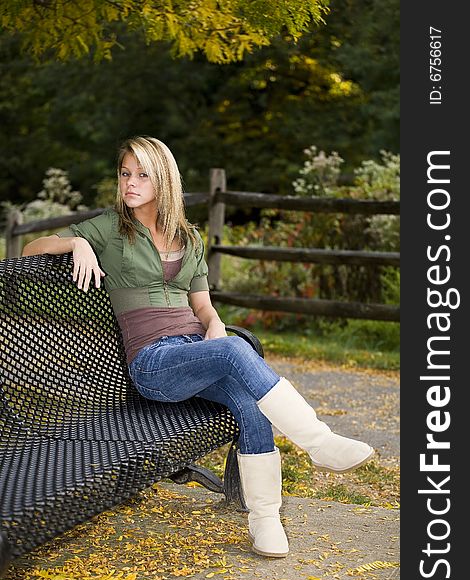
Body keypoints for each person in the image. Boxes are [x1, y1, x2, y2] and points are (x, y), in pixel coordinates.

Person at [22, 136, 374, 558]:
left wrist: (214, 326)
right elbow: (31, 249)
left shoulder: (188, 238)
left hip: (193, 348)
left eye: (142, 174)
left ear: (164, 179)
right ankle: (318, 442)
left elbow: (204, 307)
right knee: (235, 351)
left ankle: (265, 518)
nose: (129, 183)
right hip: (153, 363)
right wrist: (75, 242)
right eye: (124, 173)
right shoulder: (110, 227)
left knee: (248, 399)